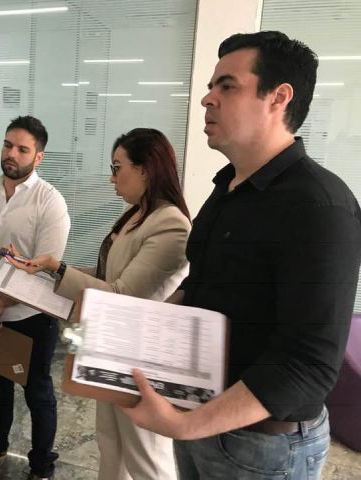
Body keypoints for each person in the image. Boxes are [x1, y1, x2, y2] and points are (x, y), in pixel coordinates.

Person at [120, 31, 361, 480]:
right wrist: (137, 329)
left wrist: (185, 424)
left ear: (278, 98)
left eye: (227, 86)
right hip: (203, 418)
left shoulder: (319, 205)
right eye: (211, 86)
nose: (207, 99)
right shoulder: (229, 186)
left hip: (265, 446)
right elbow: (203, 285)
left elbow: (306, 364)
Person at [12, 127, 190, 480]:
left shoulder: (170, 224)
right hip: (111, 348)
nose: (112, 178)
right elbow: (110, 275)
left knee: (145, 458)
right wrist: (51, 270)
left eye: (117, 167)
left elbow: (123, 295)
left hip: (140, 357)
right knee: (111, 444)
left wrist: (59, 269)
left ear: (144, 169)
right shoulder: (137, 214)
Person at [0, 116, 70, 480]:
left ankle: (41, 467)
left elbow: (45, 268)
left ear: (38, 157)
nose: (11, 154)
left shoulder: (49, 202)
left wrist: (0, 304)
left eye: (22, 149)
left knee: (37, 393)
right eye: (8, 145)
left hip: (29, 317)